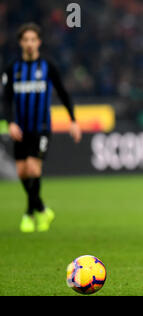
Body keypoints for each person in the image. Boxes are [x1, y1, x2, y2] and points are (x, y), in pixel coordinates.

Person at [1, 23, 82, 233]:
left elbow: (63, 93)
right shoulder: (13, 68)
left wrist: (73, 120)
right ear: (21, 42)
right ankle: (43, 209)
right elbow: (6, 99)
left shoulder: (47, 65)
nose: (29, 43)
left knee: (34, 168)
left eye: (32, 39)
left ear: (39, 42)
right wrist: (9, 122)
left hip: (41, 126)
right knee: (22, 172)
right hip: (20, 128)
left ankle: (29, 214)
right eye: (25, 39)